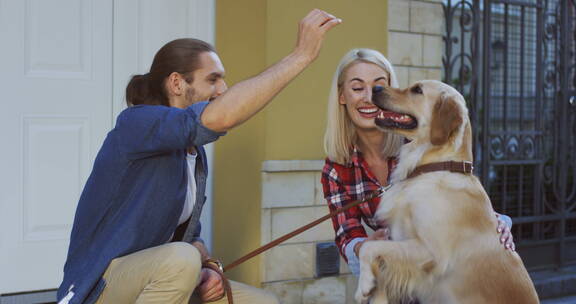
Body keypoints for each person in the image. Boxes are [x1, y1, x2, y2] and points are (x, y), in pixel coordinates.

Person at [57, 9, 341, 304]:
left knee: (264, 302)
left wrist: (208, 268)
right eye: (213, 79)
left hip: (163, 277)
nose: (223, 89)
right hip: (101, 288)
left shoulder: (193, 155)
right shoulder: (136, 124)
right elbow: (218, 118)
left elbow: (190, 237)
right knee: (181, 258)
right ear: (177, 83)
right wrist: (300, 56)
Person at [320, 48, 515, 278]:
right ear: (342, 96)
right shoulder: (336, 169)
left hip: (449, 275)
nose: (369, 95)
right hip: (396, 275)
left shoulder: (419, 144)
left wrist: (496, 223)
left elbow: (461, 198)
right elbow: (347, 235)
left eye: (378, 85)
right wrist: (364, 246)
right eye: (357, 88)